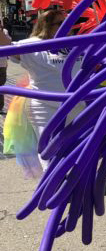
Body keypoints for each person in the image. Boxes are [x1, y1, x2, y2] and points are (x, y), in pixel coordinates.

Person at [4, 9, 80, 173]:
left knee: (79, 149)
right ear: (46, 26)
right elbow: (5, 47)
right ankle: (54, 189)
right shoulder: (32, 45)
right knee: (49, 151)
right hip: (46, 106)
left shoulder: (78, 42)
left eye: (69, 22)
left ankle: (75, 184)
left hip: (78, 104)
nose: (68, 26)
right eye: (61, 23)